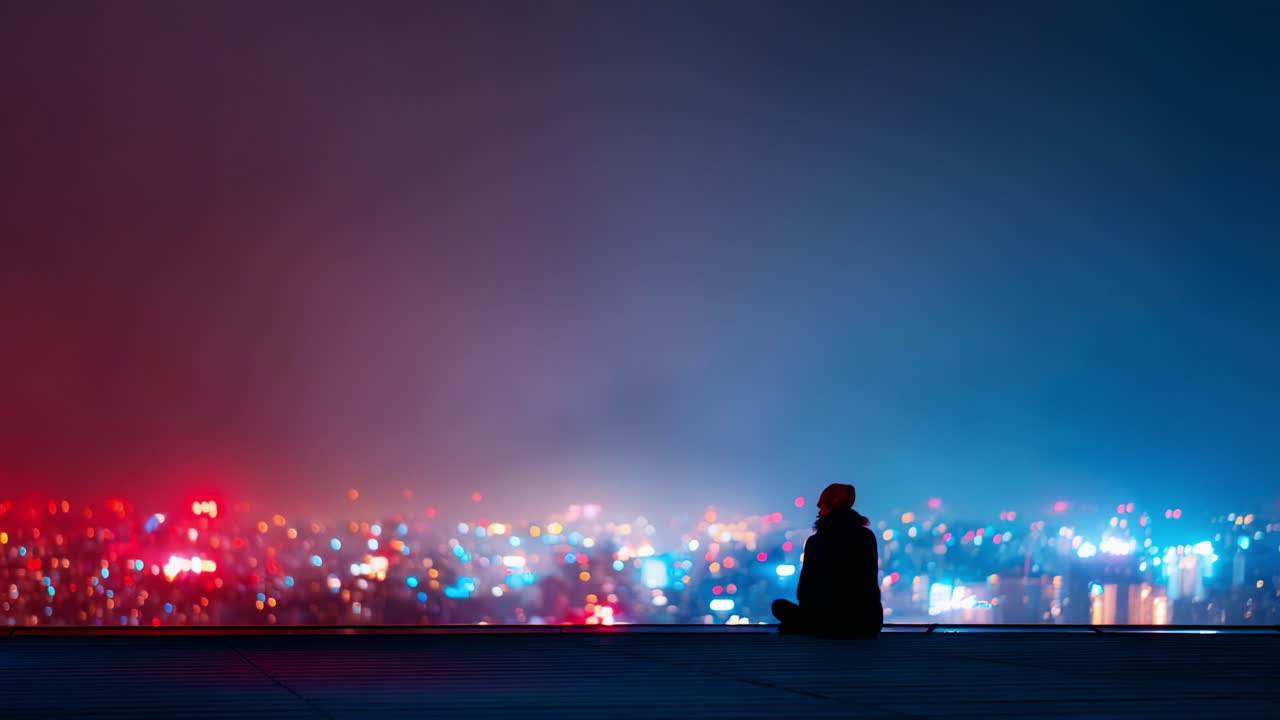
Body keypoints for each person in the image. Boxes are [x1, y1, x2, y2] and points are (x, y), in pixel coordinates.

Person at [771, 483, 883, 637]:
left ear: (830, 505)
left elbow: (805, 590)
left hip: (825, 624)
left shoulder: (815, 542)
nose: (818, 509)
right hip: (866, 624)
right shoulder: (866, 537)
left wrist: (810, 616)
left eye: (822, 505)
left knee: (778, 606)